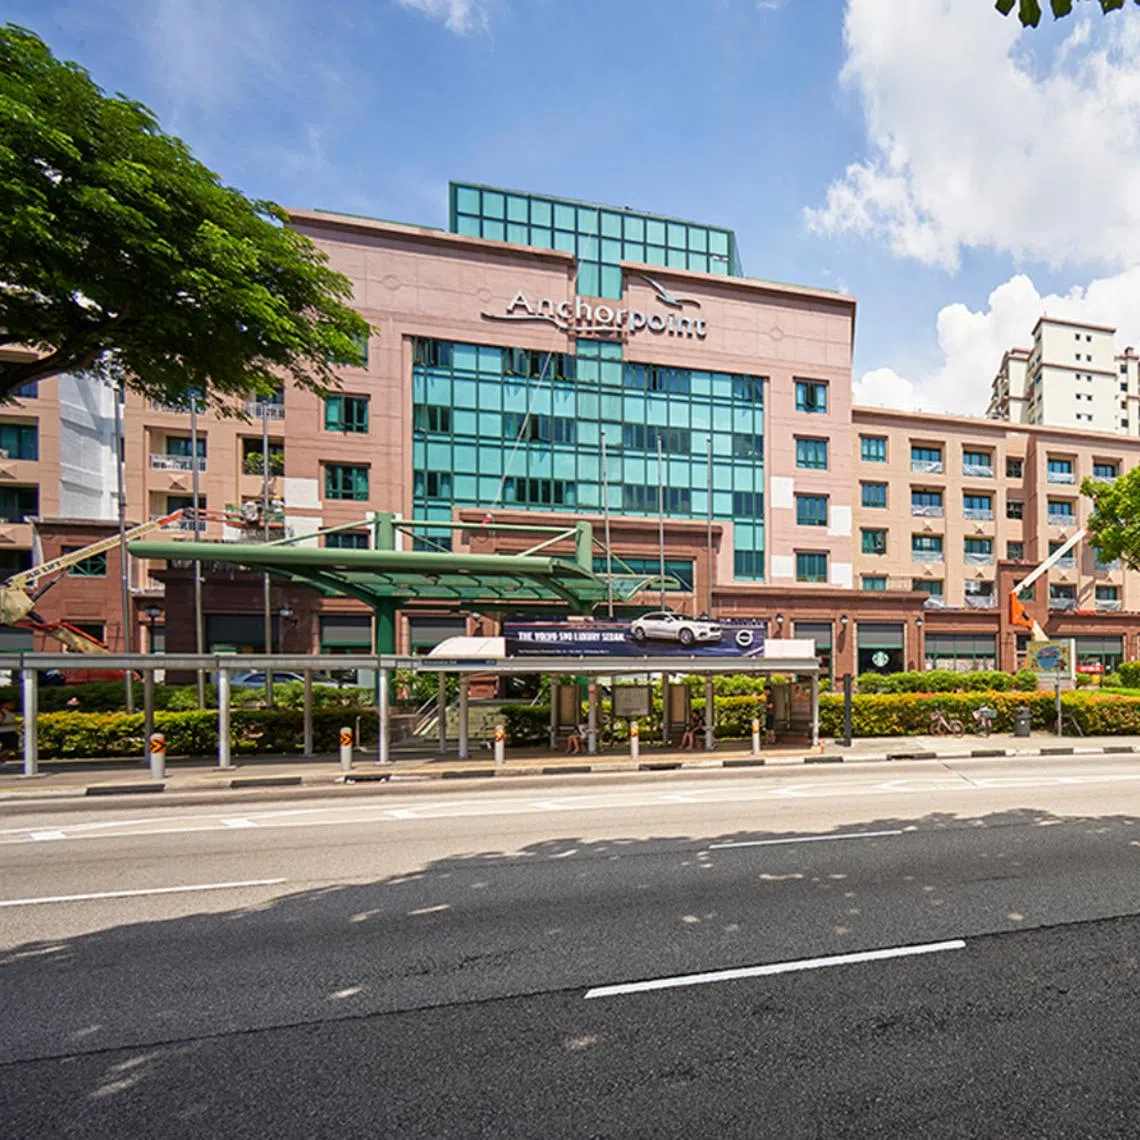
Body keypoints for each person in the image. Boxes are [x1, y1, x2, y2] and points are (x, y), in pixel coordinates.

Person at [0, 699, 19, 763]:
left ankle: (2, 763)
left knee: (7, 749)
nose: (12, 705)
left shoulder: (10, 713)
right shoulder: (2, 713)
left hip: (11, 732)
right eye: (10, 704)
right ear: (3, 705)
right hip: (5, 732)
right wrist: (13, 723)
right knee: (10, 748)